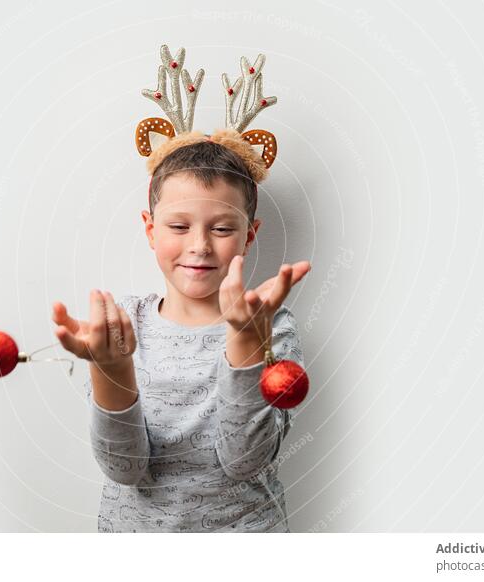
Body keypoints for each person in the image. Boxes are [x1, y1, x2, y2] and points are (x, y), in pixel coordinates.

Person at [51, 45, 311, 532]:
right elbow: (123, 468)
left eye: (221, 228)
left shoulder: (273, 327)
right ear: (150, 230)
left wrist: (247, 344)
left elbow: (244, 462)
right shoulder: (122, 326)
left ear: (250, 235)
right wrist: (113, 370)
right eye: (178, 227)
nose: (199, 246)